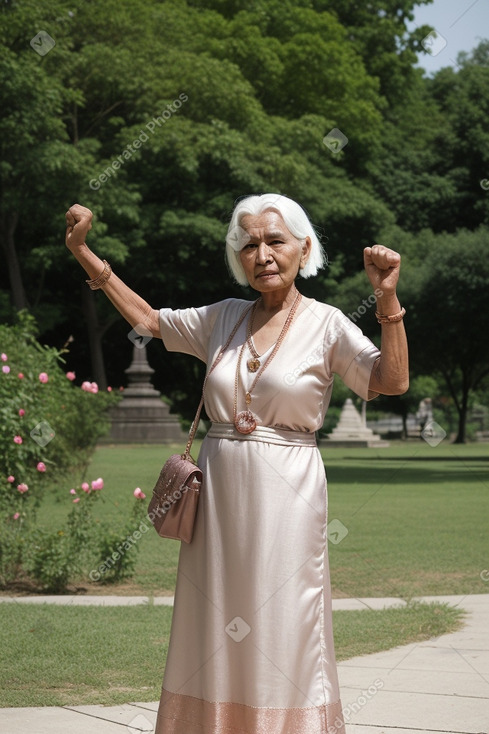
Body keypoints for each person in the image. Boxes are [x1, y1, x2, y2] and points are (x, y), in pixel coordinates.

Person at [65, 194, 408, 734]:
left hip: (288, 496)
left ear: (304, 248)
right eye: (250, 244)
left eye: (275, 241)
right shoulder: (222, 318)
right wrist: (84, 253)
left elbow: (391, 381)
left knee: (284, 622)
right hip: (219, 498)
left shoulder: (328, 324)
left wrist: (387, 300)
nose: (263, 253)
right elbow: (149, 320)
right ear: (238, 256)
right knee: (216, 621)